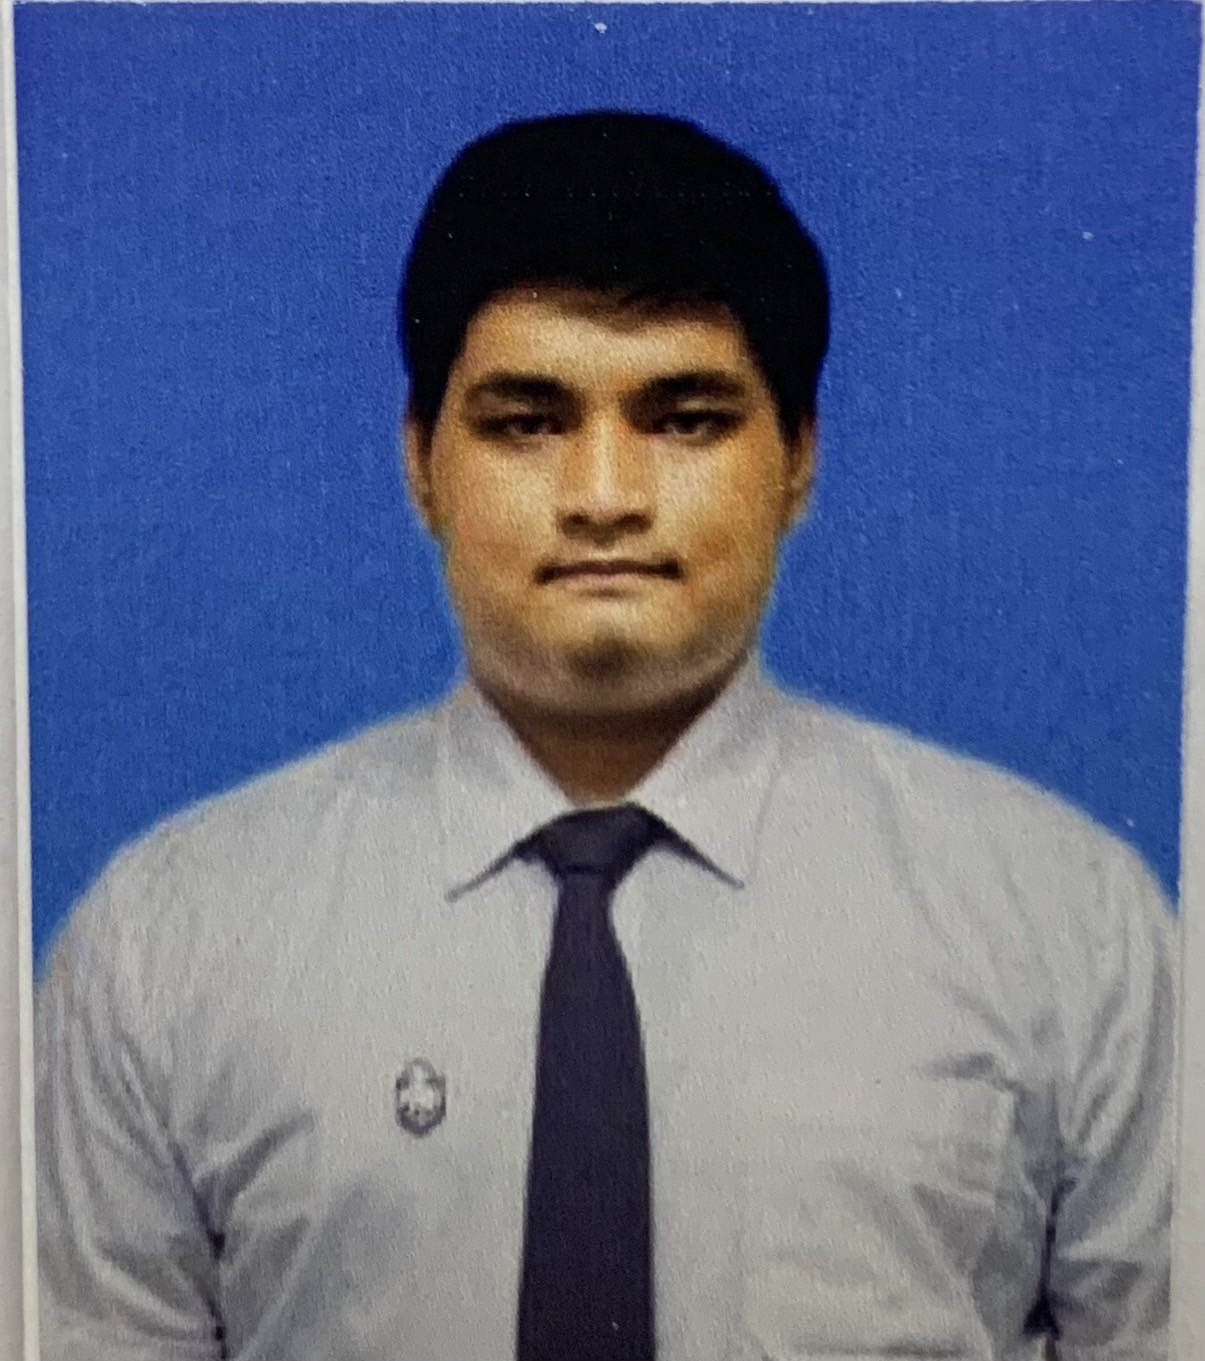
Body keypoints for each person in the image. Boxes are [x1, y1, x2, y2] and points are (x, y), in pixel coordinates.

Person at [35, 111, 1176, 1361]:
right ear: (420, 462)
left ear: (798, 457)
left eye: (684, 418)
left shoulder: (1064, 926)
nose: (602, 497)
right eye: (526, 421)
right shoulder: (171, 942)